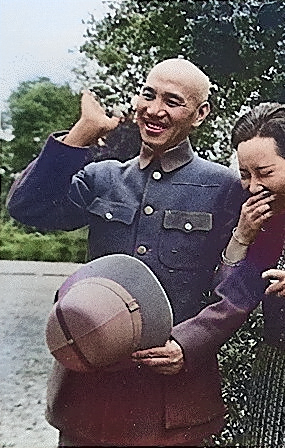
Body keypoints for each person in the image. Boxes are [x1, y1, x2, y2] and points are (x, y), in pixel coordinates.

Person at [6, 58, 244, 446]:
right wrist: (83, 132)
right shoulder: (102, 177)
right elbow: (25, 206)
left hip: (171, 404)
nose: (155, 110)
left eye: (173, 101)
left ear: (200, 114)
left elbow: (239, 283)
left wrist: (192, 342)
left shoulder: (225, 187)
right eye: (148, 95)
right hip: (90, 398)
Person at [172, 102, 285, 446]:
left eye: (264, 173)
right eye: (245, 175)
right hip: (271, 371)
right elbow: (228, 295)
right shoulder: (254, 216)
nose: (252, 186)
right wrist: (242, 237)